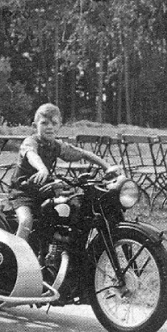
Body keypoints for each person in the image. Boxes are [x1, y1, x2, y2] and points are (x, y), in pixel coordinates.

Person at [8, 103, 123, 241]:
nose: (49, 127)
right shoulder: (30, 142)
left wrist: (107, 166)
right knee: (26, 221)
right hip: (22, 193)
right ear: (34, 126)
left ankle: (60, 247)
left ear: (59, 126)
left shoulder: (56, 145)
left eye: (54, 123)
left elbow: (82, 154)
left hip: (43, 191)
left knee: (69, 208)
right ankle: (18, 255)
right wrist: (42, 168)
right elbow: (31, 155)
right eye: (44, 123)